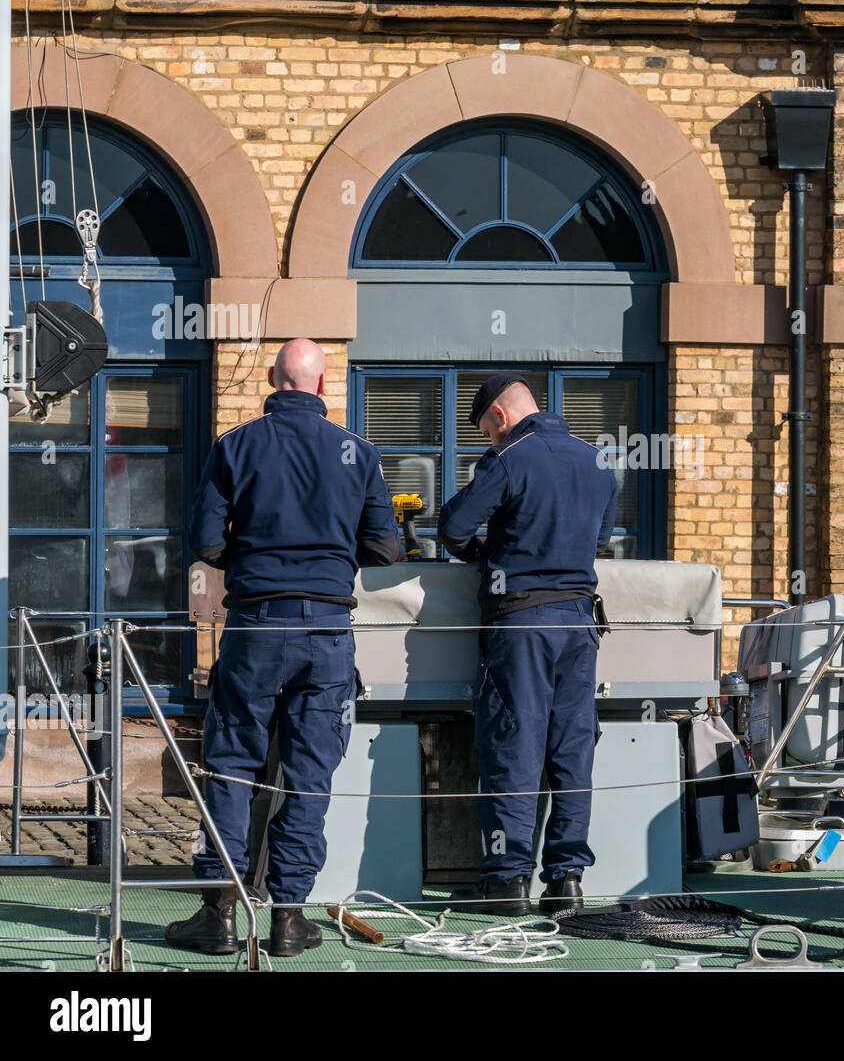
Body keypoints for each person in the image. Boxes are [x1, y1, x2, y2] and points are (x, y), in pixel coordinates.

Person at [165, 338, 400, 956]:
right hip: (326, 631)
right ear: (322, 386)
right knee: (307, 776)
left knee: (232, 764)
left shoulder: (235, 445)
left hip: (254, 627)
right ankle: (289, 918)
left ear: (273, 380)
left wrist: (258, 553)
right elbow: (385, 551)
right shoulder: (359, 452)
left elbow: (205, 541)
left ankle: (218, 914)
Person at [437, 375, 618, 916]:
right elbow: (599, 542)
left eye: (486, 431)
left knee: (513, 745)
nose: (487, 442)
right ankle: (566, 881)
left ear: (500, 414)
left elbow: (453, 527)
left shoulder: (511, 457)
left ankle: (507, 882)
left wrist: (486, 549)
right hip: (579, 626)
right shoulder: (597, 463)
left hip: (519, 625)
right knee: (571, 750)